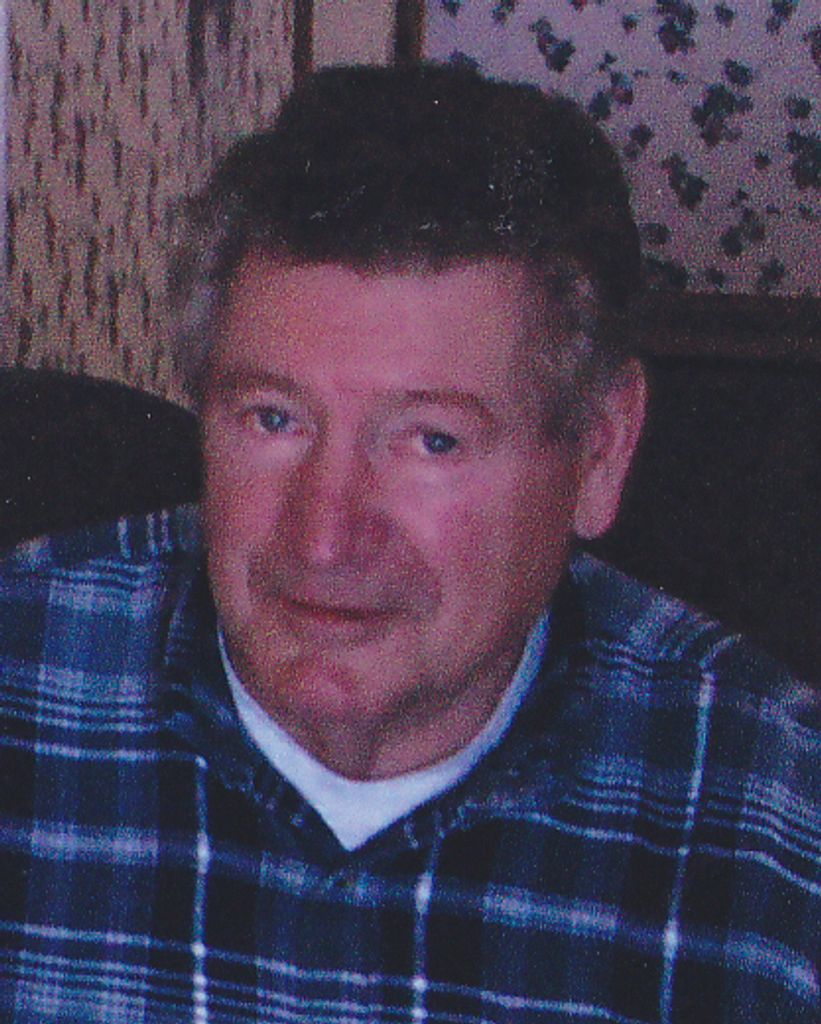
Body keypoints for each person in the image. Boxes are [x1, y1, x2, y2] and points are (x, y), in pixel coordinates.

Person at [0, 62, 817, 1024]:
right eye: (273, 419)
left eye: (431, 441)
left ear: (599, 451)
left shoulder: (779, 821)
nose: (325, 537)